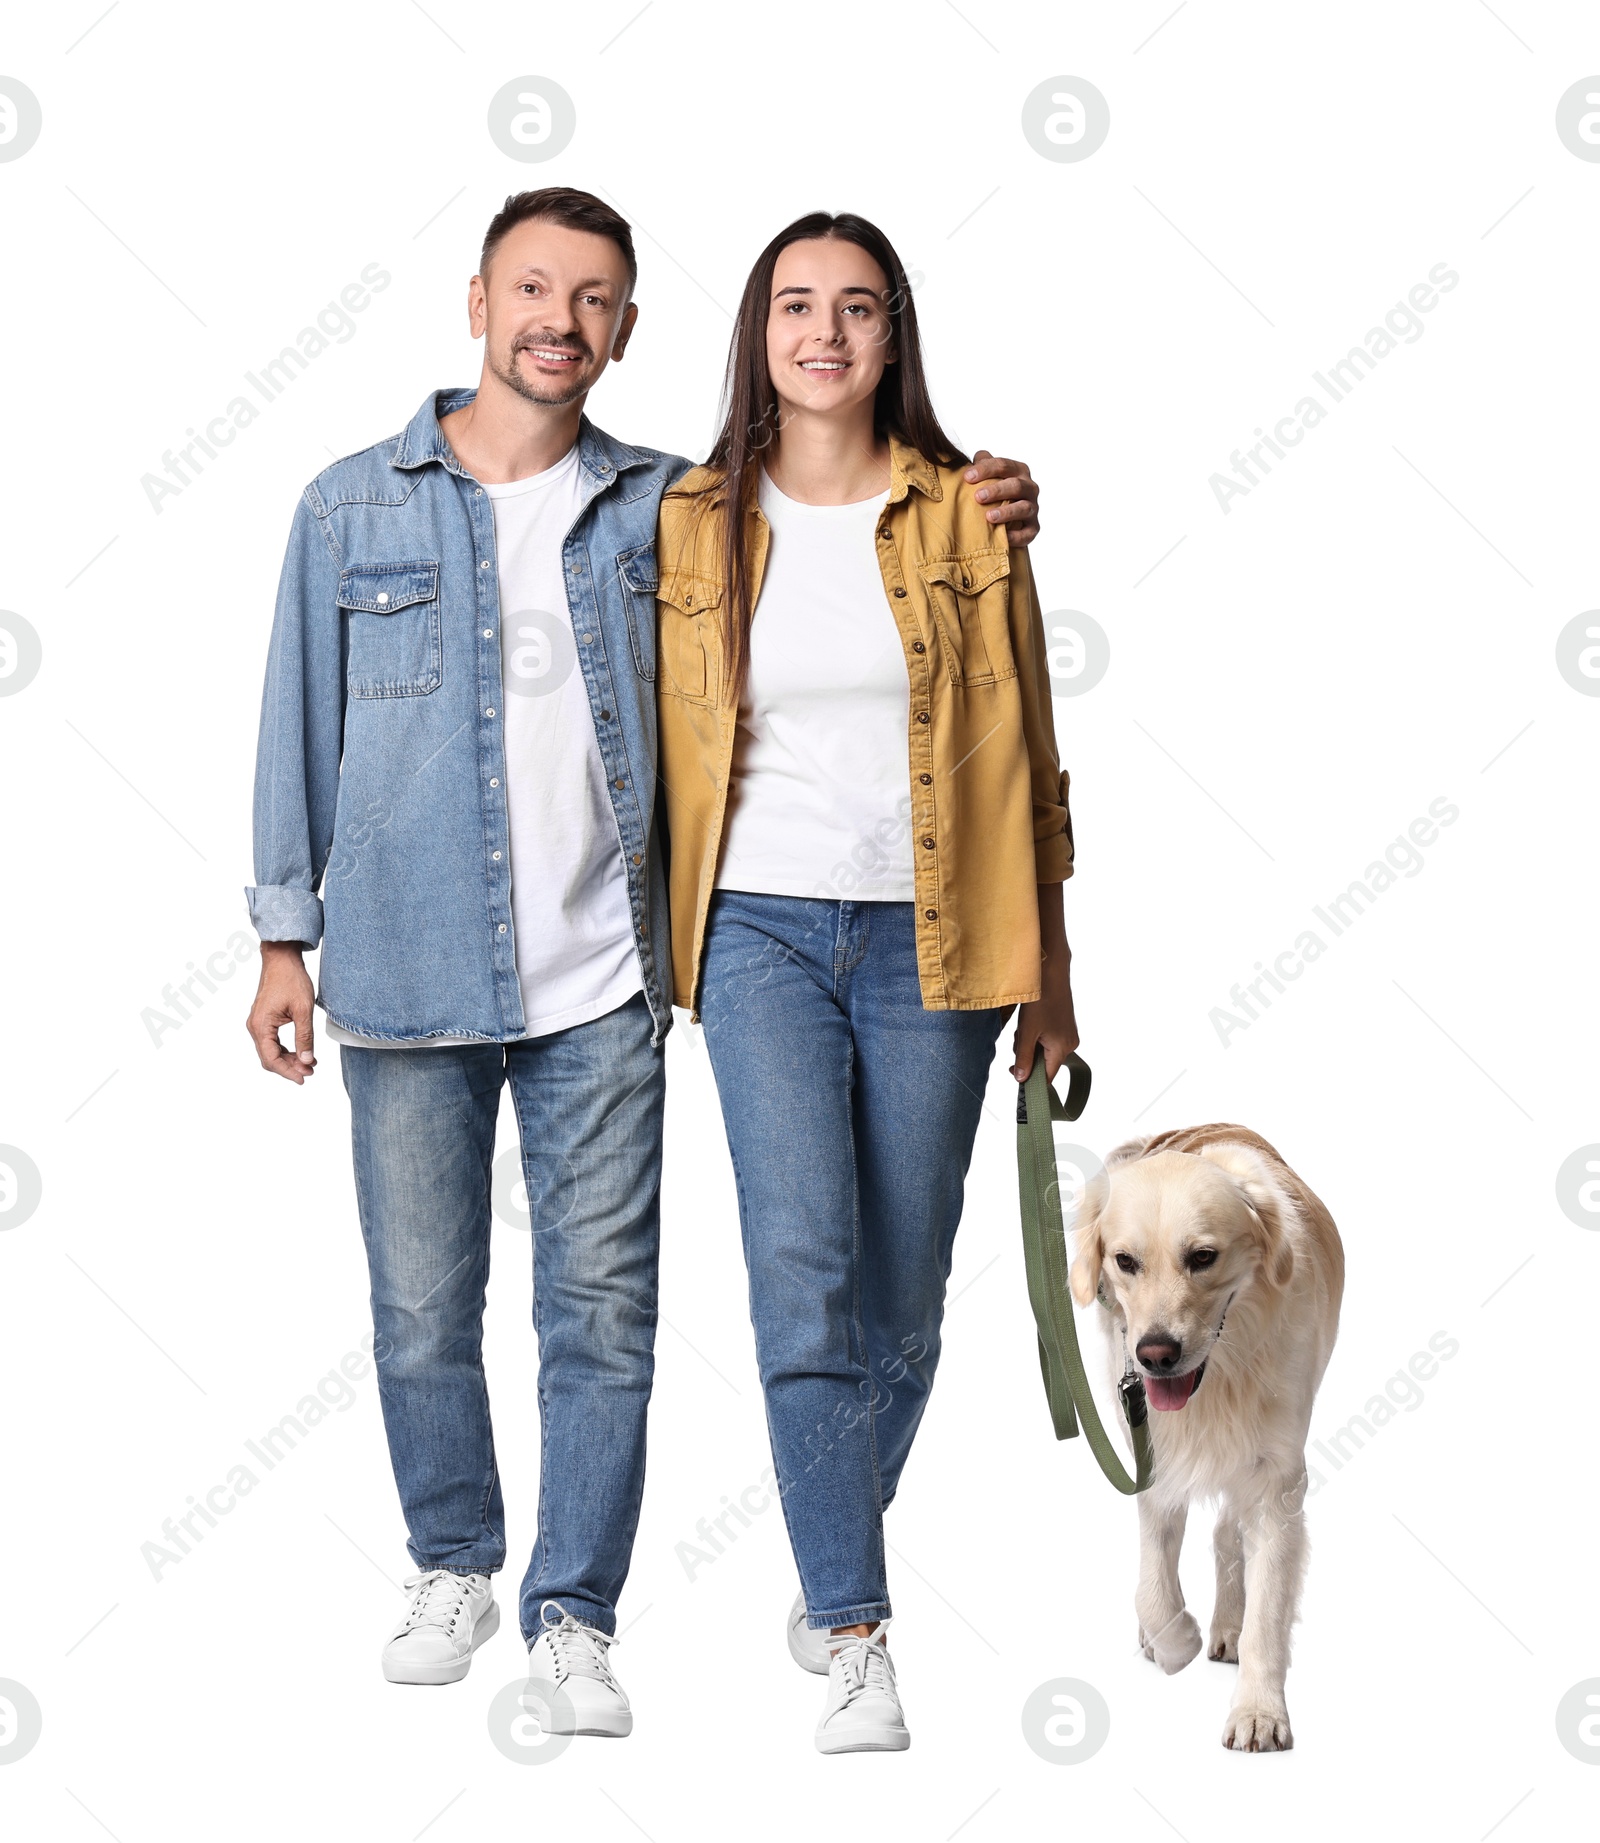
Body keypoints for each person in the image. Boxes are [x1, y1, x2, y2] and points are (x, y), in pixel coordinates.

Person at [244, 186, 1043, 1737]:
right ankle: (462, 1564)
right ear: (476, 300)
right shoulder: (356, 507)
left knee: (614, 1313)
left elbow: (941, 654)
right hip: (421, 965)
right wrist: (287, 936)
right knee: (422, 1303)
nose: (562, 319)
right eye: (535, 289)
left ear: (631, 331)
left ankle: (586, 1613)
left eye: (597, 298)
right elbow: (297, 721)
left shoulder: (667, 504)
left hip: (610, 972)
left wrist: (985, 492)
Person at [655, 212, 1079, 1753]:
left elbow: (1029, 753)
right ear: (757, 334)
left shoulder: (972, 515)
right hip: (758, 929)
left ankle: (835, 1520)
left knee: (908, 1295)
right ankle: (857, 1627)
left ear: (894, 336)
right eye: (795, 306)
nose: (823, 333)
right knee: (803, 1272)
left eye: (856, 308)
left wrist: (1056, 974)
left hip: (944, 939)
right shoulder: (687, 518)